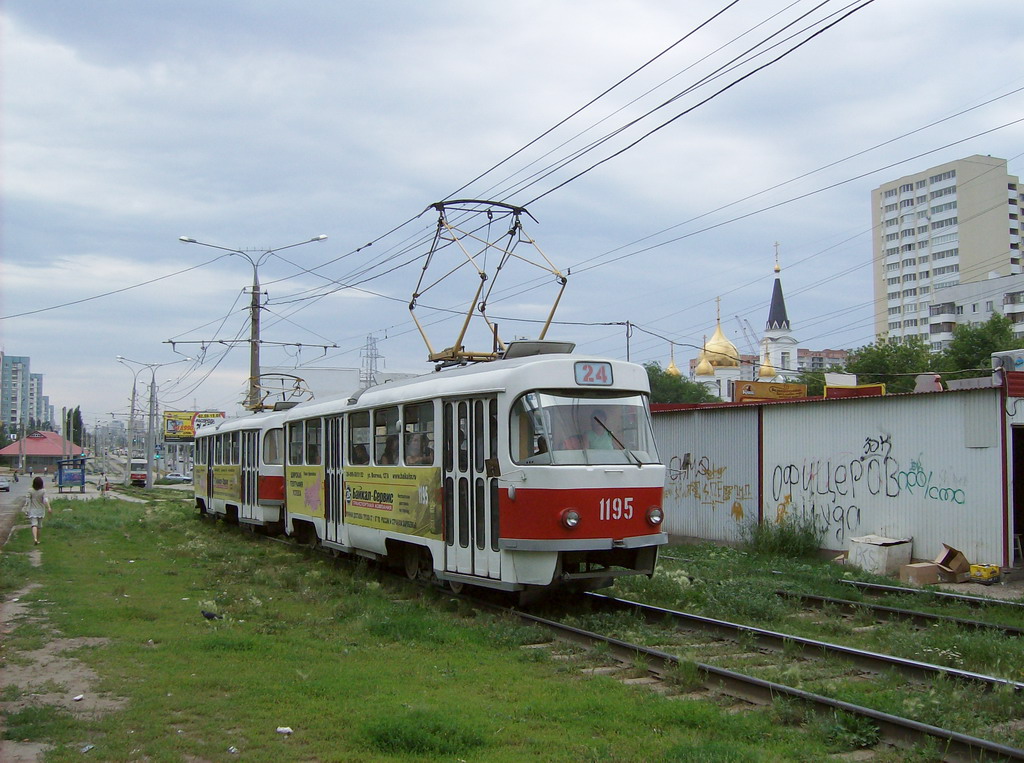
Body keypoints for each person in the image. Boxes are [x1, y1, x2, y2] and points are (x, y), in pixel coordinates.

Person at [23, 476, 52, 546]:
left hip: (32, 510)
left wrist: (26, 508)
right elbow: (45, 500)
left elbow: (27, 500)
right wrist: (49, 507)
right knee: (39, 526)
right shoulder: (43, 491)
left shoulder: (30, 490)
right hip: (41, 510)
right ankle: (38, 540)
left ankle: (35, 538)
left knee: (34, 525)